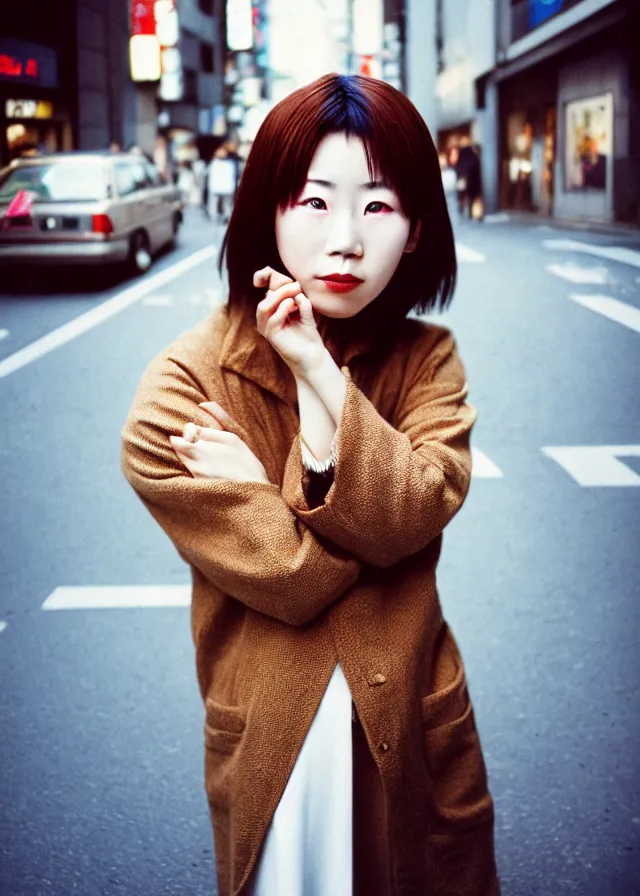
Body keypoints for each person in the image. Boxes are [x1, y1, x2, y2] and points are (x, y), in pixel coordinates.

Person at [121, 73, 500, 896]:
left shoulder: (427, 359)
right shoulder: (183, 390)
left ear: (416, 229)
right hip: (274, 742)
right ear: (267, 211)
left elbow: (417, 510)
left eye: (376, 205)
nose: (347, 241)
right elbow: (301, 582)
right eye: (315, 201)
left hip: (409, 723)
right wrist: (349, 540)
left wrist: (315, 375)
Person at [206, 143, 239, 223]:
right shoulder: (228, 163)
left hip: (223, 187)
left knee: (224, 203)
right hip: (223, 187)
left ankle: (226, 216)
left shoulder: (219, 163)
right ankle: (222, 216)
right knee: (220, 203)